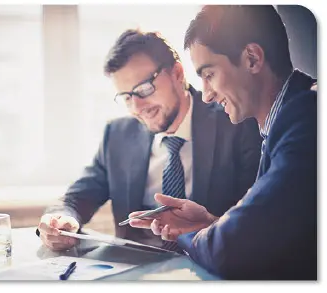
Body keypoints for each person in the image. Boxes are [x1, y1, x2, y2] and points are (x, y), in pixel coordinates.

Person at [128, 5, 317, 280]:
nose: (206, 95)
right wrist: (210, 223)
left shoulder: (307, 120)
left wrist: (190, 232)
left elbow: (228, 251)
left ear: (252, 59)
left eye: (209, 74)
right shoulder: (285, 119)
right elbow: (274, 237)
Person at [37, 29, 262, 252]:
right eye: (126, 97)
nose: (137, 108)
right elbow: (77, 197)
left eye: (144, 89)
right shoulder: (117, 135)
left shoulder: (236, 122)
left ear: (177, 73)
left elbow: (256, 222)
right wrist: (60, 219)